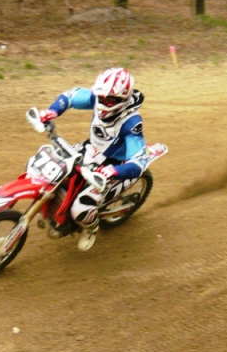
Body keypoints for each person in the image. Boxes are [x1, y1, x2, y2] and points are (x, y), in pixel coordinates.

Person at [38, 67, 148, 251]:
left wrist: (113, 171)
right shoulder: (97, 98)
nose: (103, 102)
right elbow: (71, 96)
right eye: (101, 97)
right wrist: (53, 111)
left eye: (110, 99)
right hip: (89, 150)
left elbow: (138, 161)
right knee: (51, 170)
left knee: (80, 210)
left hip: (113, 165)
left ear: (122, 99)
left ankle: (91, 227)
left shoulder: (132, 123)